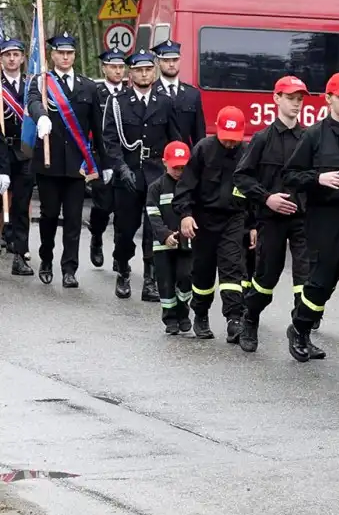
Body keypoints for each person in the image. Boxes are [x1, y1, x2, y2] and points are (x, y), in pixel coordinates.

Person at [284, 72, 339, 371]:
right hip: (324, 218)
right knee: (321, 282)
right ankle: (300, 328)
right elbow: (291, 176)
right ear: (329, 99)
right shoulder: (313, 135)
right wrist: (318, 178)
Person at [234, 76, 320, 357]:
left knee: (305, 281)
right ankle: (250, 319)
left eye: (300, 98)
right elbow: (242, 177)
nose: (296, 103)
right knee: (265, 279)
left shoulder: (309, 138)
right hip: (271, 219)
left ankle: (301, 334)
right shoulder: (262, 139)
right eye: (291, 97)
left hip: (302, 219)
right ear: (277, 99)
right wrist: (266, 197)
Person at [27, 32, 108, 288]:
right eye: (60, 52)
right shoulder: (41, 82)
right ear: (52, 55)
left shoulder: (88, 86)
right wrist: (41, 116)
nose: (65, 57)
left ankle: (69, 268)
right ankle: (47, 258)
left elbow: (97, 126)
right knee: (49, 215)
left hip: (78, 165)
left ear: (74, 55)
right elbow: (32, 104)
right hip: (49, 164)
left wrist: (103, 164)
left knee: (74, 218)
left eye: (69, 53)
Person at [104, 49, 176, 301]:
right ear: (130, 73)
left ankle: (150, 279)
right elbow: (110, 141)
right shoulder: (118, 102)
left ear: (154, 71)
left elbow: (174, 138)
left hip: (156, 174)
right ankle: (123, 269)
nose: (144, 74)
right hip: (129, 173)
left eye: (148, 69)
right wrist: (121, 168)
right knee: (125, 228)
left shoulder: (165, 101)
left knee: (153, 229)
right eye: (138, 70)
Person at [174, 106, 250, 341]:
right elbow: (185, 186)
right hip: (203, 219)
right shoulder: (203, 150)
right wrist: (186, 214)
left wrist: (254, 225)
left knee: (232, 267)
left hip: (233, 219)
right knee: (203, 271)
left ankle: (234, 319)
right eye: (226, 140)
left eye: (233, 140)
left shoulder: (246, 153)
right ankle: (201, 313)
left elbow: (254, 190)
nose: (230, 144)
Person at [146, 141, 194, 334]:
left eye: (183, 167)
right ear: (165, 162)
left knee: (186, 276)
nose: (179, 171)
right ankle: (170, 317)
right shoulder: (156, 187)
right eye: (175, 167)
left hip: (187, 243)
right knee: (165, 282)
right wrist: (165, 235)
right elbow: (153, 215)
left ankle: (183, 310)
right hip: (163, 244)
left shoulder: (191, 186)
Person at [88, 50, 130, 269]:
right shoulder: (96, 92)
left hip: (124, 158)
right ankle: (96, 236)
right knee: (103, 206)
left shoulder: (129, 94)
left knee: (123, 210)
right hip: (100, 156)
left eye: (121, 67)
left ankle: (118, 254)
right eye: (113, 67)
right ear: (104, 68)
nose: (117, 70)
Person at [1, 37, 35, 276]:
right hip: (0, 150)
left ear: (23, 58)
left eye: (16, 55)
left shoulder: (32, 85)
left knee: (21, 206)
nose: (12, 59)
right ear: (1, 59)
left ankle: (20, 255)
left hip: (24, 151)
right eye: (7, 55)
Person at [151, 40, 205, 147]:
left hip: (184, 157)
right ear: (158, 62)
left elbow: (199, 135)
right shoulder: (151, 92)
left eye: (175, 60)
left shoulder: (192, 94)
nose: (171, 64)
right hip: (158, 158)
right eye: (166, 60)